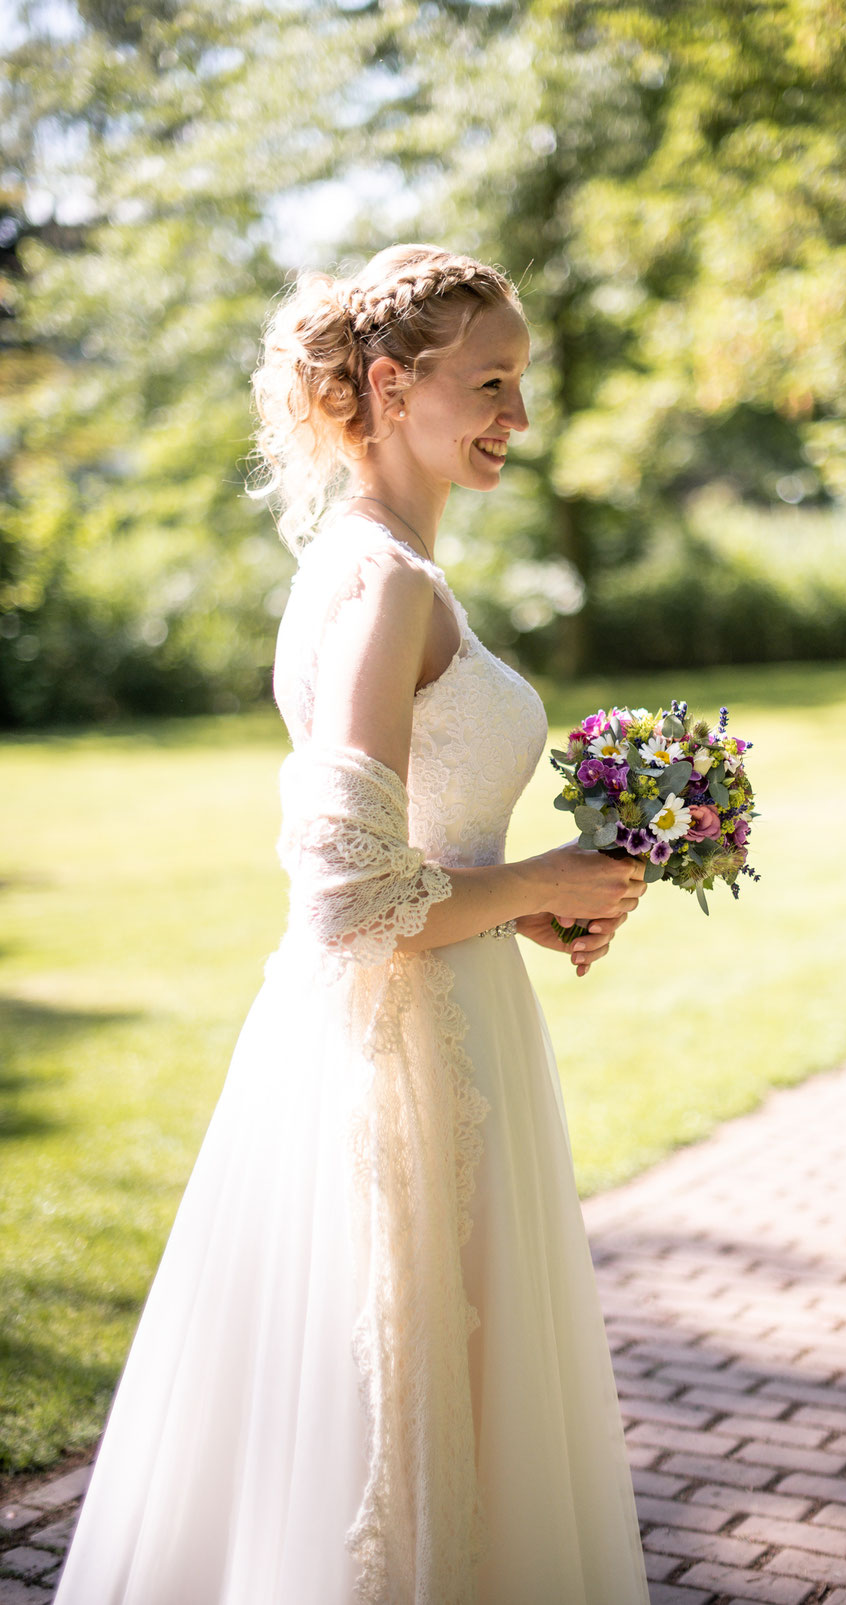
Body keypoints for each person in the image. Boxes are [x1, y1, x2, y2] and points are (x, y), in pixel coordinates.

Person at [52, 243, 652, 1604]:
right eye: (490, 383)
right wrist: (538, 880)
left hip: (441, 1009)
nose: (516, 417)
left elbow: (417, 861)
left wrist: (526, 905)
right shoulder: (383, 583)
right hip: (412, 1061)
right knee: (406, 1422)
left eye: (521, 384)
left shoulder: (367, 564)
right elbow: (346, 896)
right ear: (389, 386)